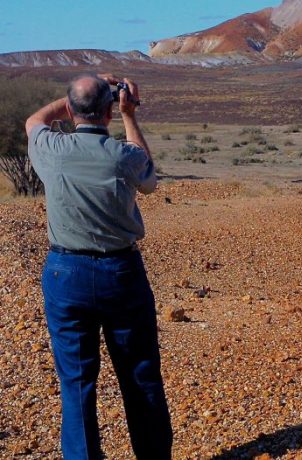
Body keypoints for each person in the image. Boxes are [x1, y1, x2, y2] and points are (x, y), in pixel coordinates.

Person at [25, 74, 173, 460]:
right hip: (120, 274)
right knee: (140, 376)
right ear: (108, 110)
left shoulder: (51, 149)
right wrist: (129, 115)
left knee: (76, 384)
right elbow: (150, 181)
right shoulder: (125, 156)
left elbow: (33, 121)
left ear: (70, 111)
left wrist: (76, 98)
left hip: (65, 273)